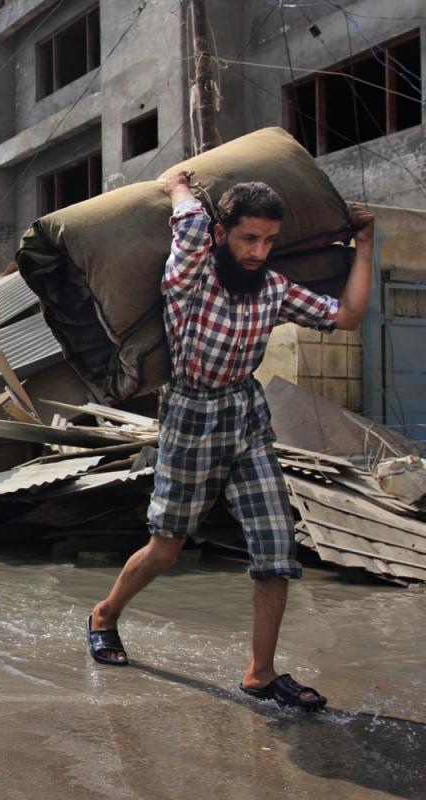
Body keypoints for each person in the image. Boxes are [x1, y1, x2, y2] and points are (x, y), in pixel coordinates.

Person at [86, 173, 375, 711]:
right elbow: (190, 222)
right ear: (222, 235)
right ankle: (104, 615)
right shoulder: (189, 277)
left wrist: (367, 241)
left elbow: (349, 316)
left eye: (268, 240)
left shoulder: (273, 288)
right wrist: (178, 186)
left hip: (246, 416)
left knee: (276, 548)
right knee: (166, 548)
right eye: (248, 238)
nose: (258, 251)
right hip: (190, 417)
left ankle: (260, 675)